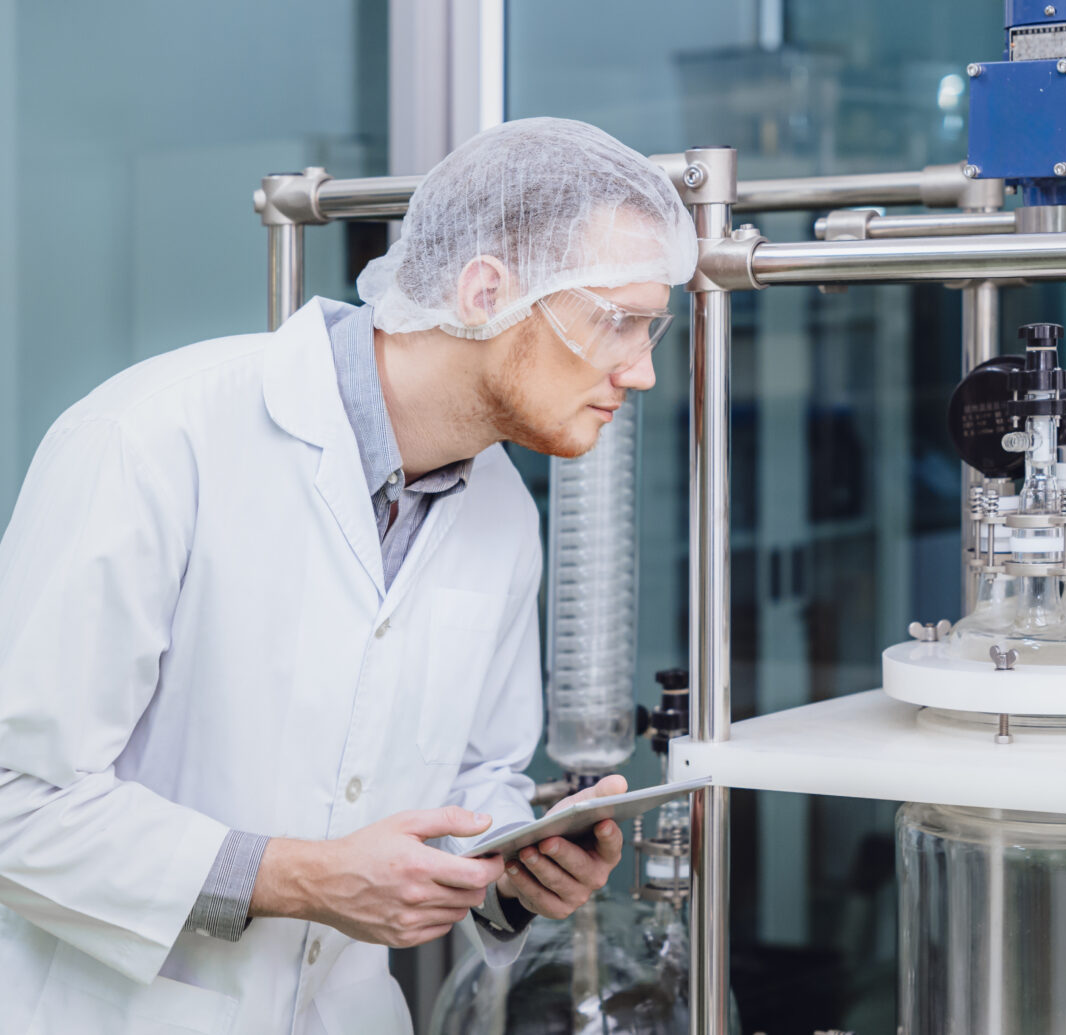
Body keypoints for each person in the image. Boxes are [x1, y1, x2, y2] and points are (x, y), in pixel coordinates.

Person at [0, 117, 699, 1034]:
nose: (644, 371)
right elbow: (18, 802)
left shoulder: (502, 512)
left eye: (655, 329)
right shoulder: (152, 439)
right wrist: (302, 876)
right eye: (619, 323)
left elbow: (473, 777)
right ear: (485, 291)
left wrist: (517, 875)